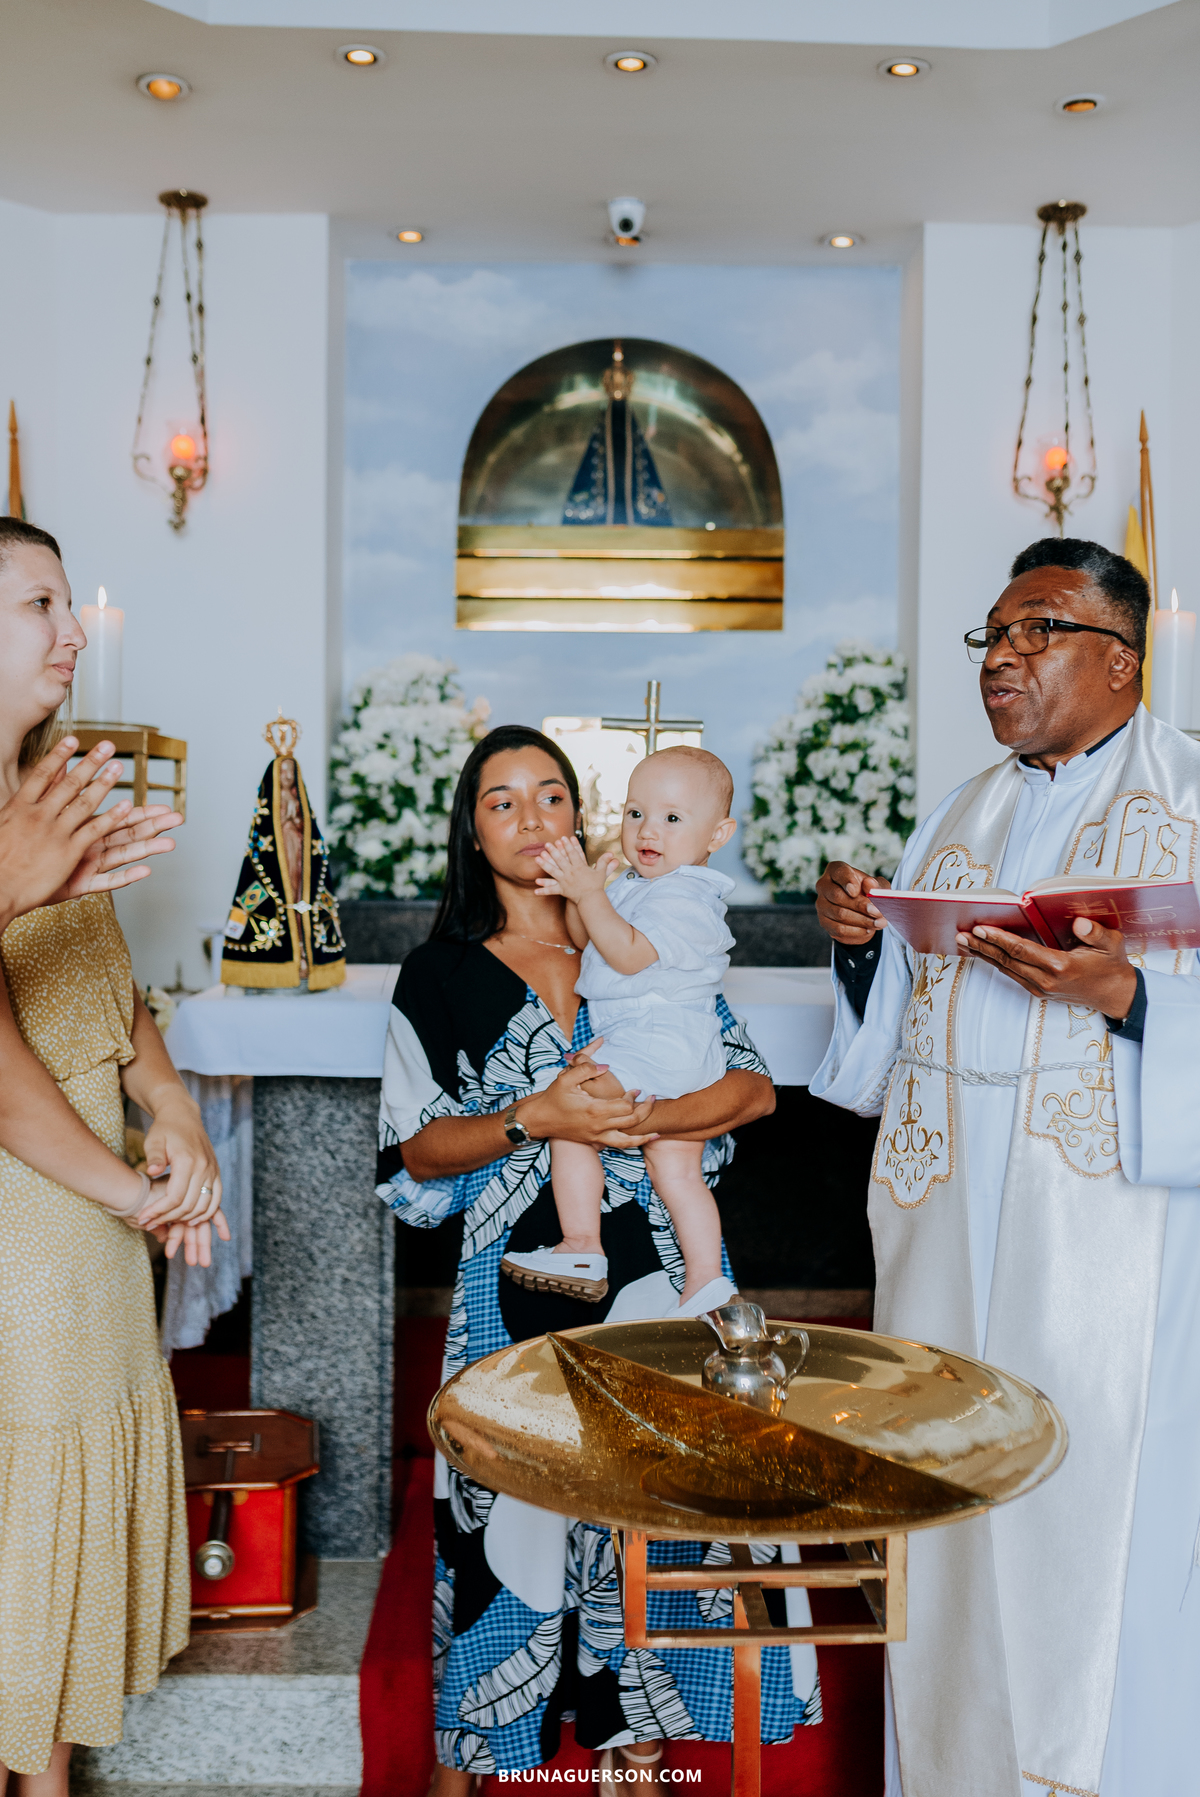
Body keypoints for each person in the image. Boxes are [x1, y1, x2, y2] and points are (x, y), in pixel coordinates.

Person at [811, 536, 1200, 1797]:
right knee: (953, 1512)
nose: (1003, 659)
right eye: (991, 635)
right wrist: (863, 942)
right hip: (951, 1230)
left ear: (1123, 662)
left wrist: (1127, 994)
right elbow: (894, 1034)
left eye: (1038, 631)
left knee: (1083, 1515)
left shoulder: (1189, 804)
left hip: (1108, 1243)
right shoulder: (959, 813)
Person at [376, 725, 821, 1793]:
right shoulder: (440, 975)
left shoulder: (653, 931)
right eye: (502, 802)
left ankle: (643, 1758)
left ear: (586, 818)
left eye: (551, 796)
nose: (532, 819)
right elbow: (412, 1146)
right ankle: (481, 1755)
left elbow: (751, 1089)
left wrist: (651, 1114)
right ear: (472, 835)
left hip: (662, 1276)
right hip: (521, 1287)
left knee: (663, 1526)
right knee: (512, 1533)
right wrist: (533, 1115)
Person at [0, 518, 227, 1796]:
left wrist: (173, 1109)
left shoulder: (48, 785)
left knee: (54, 1559)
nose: (73, 629)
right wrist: (129, 1188)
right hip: (23, 1222)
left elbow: (107, 990)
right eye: (39, 603)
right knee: (18, 1541)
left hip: (85, 1222)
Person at [500, 745, 739, 1314]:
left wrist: (588, 895)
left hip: (656, 1043)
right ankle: (706, 1282)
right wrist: (586, 896)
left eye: (672, 819)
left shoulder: (686, 895)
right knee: (677, 1170)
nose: (647, 830)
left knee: (571, 1114)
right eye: (635, 813)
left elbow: (629, 956)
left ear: (718, 834)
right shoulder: (646, 885)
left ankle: (581, 1243)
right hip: (676, 1049)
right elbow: (592, 943)